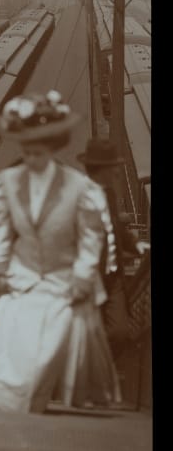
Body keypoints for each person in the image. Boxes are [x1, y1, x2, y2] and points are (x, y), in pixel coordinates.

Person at [0, 90, 121, 413]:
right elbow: (0, 232)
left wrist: (83, 277)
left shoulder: (80, 188)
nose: (31, 160)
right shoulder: (6, 184)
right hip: (23, 274)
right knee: (19, 339)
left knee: (49, 344)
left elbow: (90, 239)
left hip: (64, 278)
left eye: (38, 153)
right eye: (26, 153)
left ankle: (29, 397)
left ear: (54, 149)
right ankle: (18, 396)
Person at [76, 139, 149, 360]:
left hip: (113, 277)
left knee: (120, 332)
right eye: (113, 167)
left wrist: (135, 244)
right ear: (101, 169)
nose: (117, 172)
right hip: (88, 278)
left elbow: (116, 226)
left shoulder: (108, 194)